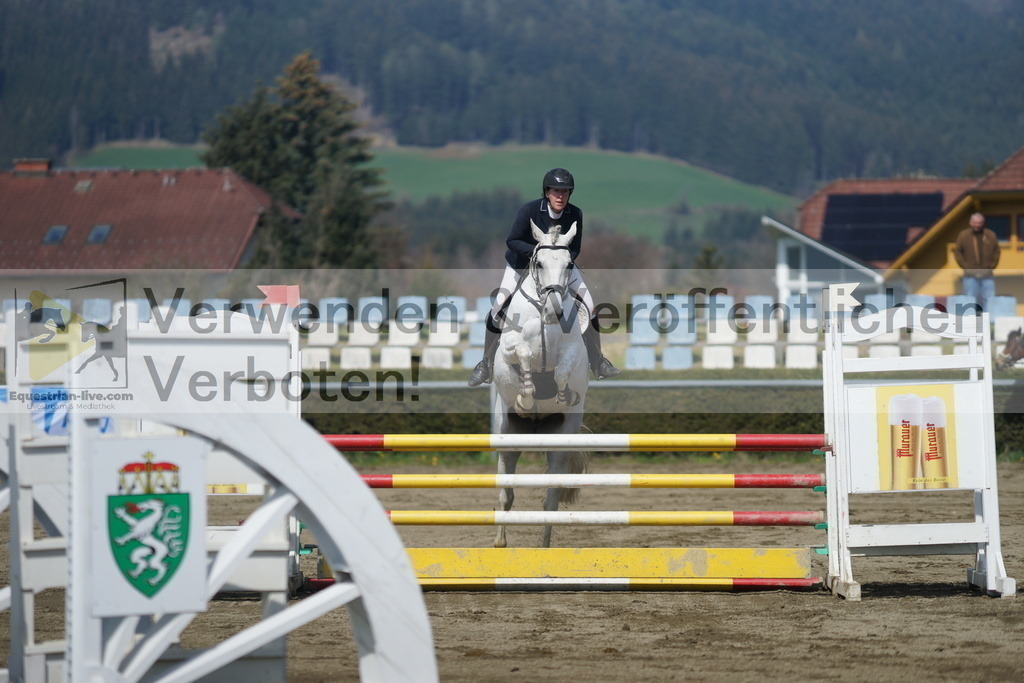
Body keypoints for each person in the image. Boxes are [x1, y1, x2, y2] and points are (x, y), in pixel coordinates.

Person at [468, 168, 620, 387]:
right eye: (556, 191)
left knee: (589, 306)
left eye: (565, 192)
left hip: (559, 267)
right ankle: (485, 364)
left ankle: (598, 362)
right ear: (547, 192)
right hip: (521, 265)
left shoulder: (575, 214)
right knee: (499, 305)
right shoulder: (529, 210)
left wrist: (558, 261)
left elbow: (575, 248)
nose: (561, 196)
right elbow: (512, 241)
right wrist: (539, 254)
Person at [953, 212, 1000, 312]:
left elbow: (997, 251)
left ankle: (988, 320)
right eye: (975, 222)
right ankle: (970, 319)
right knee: (969, 299)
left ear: (983, 223)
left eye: (979, 223)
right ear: (970, 222)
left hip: (987, 275)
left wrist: (992, 265)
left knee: (989, 299)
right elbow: (957, 251)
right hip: (970, 275)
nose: (977, 225)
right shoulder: (963, 235)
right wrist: (966, 266)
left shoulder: (990, 235)